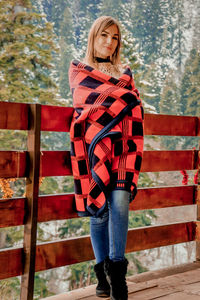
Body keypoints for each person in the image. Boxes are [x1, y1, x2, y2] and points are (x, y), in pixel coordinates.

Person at [68, 16, 144, 300]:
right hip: (94, 149)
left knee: (120, 202)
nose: (109, 42)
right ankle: (102, 274)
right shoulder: (80, 72)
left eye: (114, 38)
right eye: (104, 36)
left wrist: (122, 101)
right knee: (99, 212)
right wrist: (121, 100)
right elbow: (85, 103)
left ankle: (117, 276)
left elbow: (134, 108)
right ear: (93, 37)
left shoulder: (125, 74)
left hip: (124, 149)